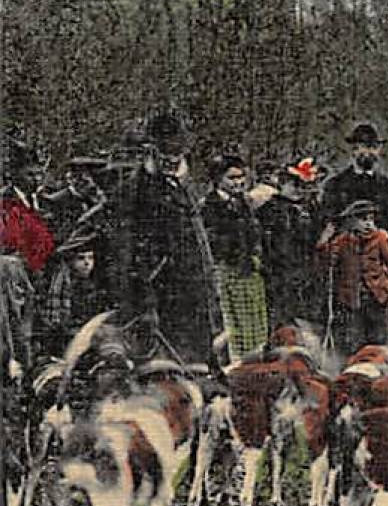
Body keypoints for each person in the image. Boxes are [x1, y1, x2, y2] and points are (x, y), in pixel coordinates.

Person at [106, 112, 223, 366]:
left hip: (193, 289)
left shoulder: (183, 187)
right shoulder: (136, 189)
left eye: (177, 152)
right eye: (166, 152)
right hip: (160, 293)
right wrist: (144, 300)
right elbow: (128, 249)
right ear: (152, 149)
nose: (173, 159)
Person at [202, 152, 269, 362]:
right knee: (231, 321)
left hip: (249, 270)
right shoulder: (208, 206)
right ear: (217, 179)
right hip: (226, 270)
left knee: (254, 320)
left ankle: (255, 360)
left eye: (241, 177)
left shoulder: (245, 204)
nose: (239, 182)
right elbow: (210, 241)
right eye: (232, 178)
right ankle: (235, 364)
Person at [318, 199, 388, 358]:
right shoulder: (343, 241)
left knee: (378, 337)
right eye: (363, 220)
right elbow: (328, 261)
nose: (368, 224)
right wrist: (324, 242)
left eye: (371, 219)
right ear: (351, 221)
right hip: (352, 299)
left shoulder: (380, 238)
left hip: (377, 297)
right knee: (354, 339)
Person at [257, 157, 323, 329]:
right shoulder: (270, 209)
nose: (299, 190)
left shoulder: (312, 209)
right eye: (294, 184)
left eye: (303, 186)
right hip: (280, 273)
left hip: (307, 271)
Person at [320, 122, 388, 232]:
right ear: (354, 150)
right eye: (365, 147)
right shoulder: (335, 184)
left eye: (374, 147)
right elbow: (329, 218)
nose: (369, 152)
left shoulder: (387, 185)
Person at [36, 230, 105, 359]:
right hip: (66, 343)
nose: (87, 263)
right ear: (71, 262)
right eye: (81, 258)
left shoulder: (93, 286)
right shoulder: (61, 285)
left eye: (90, 258)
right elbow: (55, 323)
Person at [1, 141, 54, 275]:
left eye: (39, 175)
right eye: (30, 175)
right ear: (14, 175)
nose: (36, 180)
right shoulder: (5, 201)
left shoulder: (46, 201)